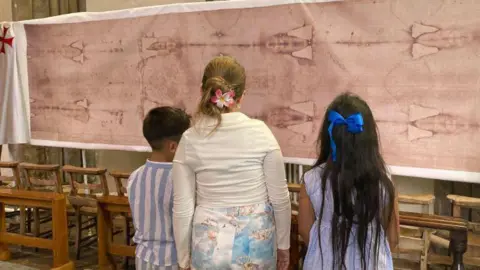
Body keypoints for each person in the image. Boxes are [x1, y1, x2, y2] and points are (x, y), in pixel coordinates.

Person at [172, 56, 291, 270]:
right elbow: (280, 199)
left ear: (203, 91)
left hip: (208, 244)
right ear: (241, 95)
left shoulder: (190, 138)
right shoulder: (261, 133)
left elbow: (182, 207)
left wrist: (183, 259)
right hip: (256, 242)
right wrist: (284, 245)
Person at [298, 93, 400, 269]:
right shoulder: (384, 181)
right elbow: (393, 237)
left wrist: (326, 249)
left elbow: (304, 230)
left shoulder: (311, 180)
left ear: (328, 135)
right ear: (369, 138)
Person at [127, 106, 191, 270]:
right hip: (174, 261)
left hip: (143, 259)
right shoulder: (181, 178)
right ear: (173, 146)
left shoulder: (134, 176)